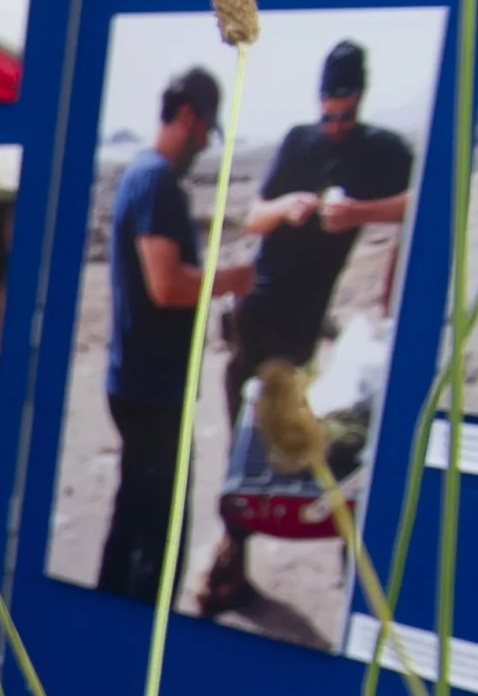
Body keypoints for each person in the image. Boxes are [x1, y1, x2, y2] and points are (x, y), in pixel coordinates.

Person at [198, 37, 417, 613]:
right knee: (245, 451)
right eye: (329, 113)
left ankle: (351, 582)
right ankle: (229, 564)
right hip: (259, 316)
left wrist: (358, 214)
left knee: (311, 451)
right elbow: (255, 216)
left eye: (345, 114)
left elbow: (419, 203)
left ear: (360, 99)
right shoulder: (299, 141)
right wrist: (290, 205)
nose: (336, 124)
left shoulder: (381, 151)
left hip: (304, 330)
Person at [99, 68, 252, 601]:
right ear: (189, 117)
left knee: (132, 520)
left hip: (138, 382)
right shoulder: (157, 180)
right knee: (158, 543)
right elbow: (166, 286)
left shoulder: (141, 176)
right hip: (152, 389)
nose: (205, 145)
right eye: (207, 132)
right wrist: (235, 278)